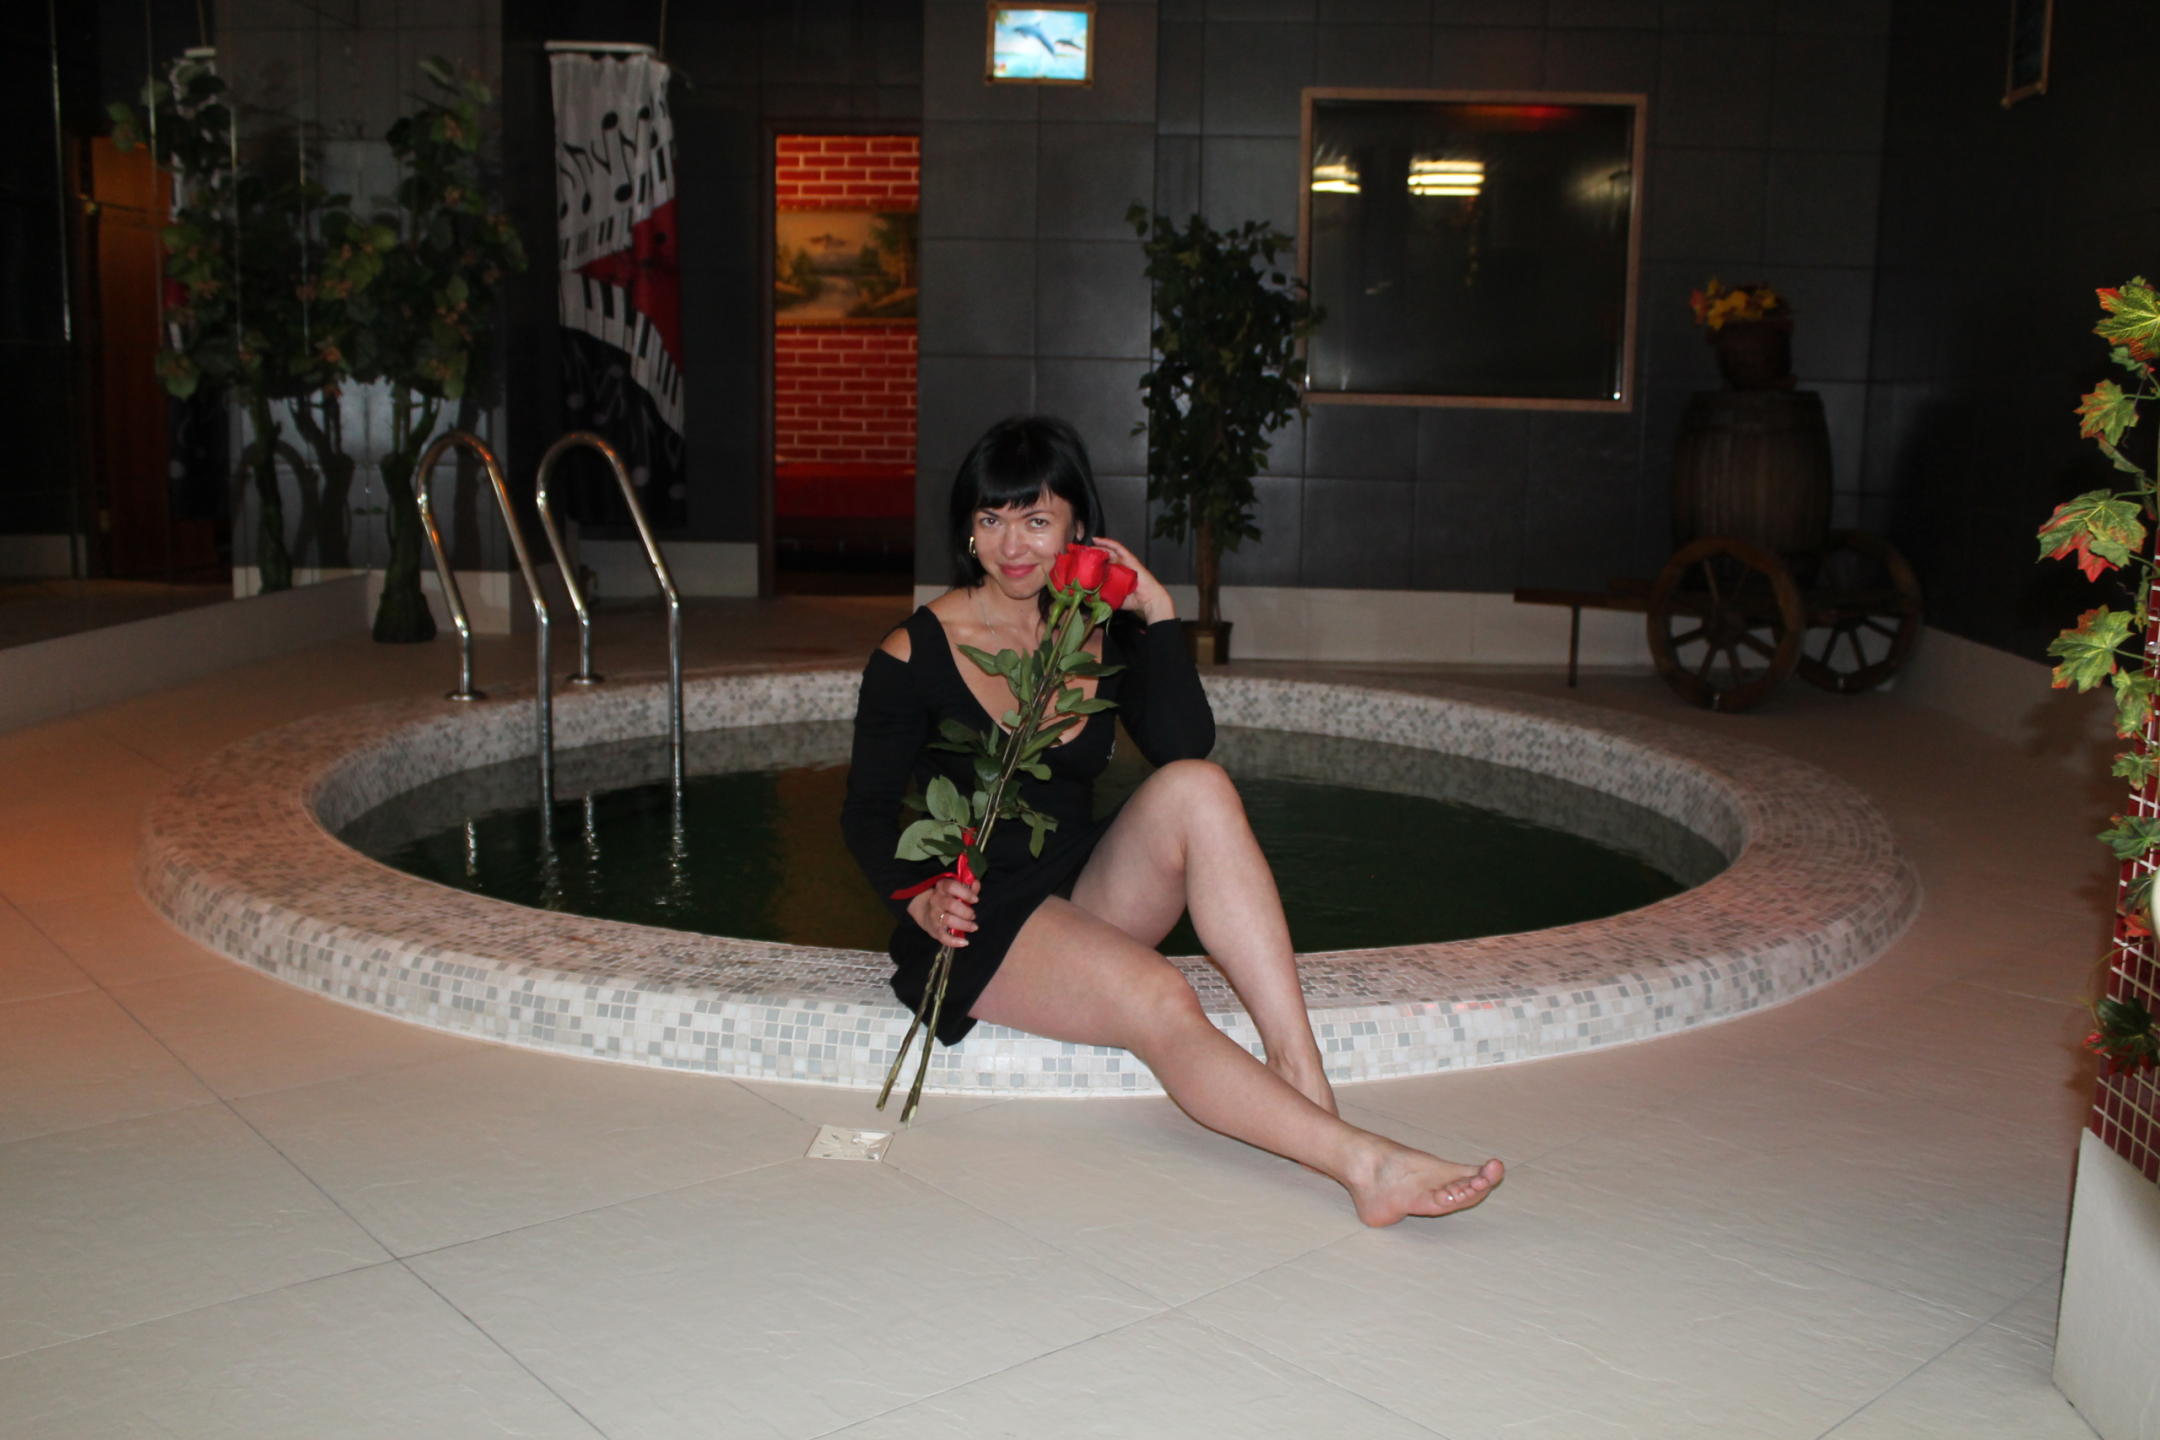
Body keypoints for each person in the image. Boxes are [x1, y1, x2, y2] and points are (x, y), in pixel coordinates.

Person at [841, 415, 1503, 1225]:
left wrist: (1154, 611)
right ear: (967, 530)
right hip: (977, 917)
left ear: (1078, 529)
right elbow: (866, 813)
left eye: (1037, 520)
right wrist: (920, 897)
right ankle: (1369, 1168)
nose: (1012, 545)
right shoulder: (915, 650)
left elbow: (1184, 744)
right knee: (1160, 995)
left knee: (1199, 788)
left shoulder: (1091, 627)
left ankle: (1300, 1068)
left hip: (1076, 885)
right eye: (991, 519)